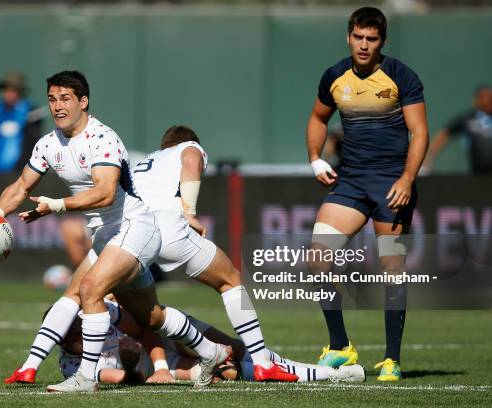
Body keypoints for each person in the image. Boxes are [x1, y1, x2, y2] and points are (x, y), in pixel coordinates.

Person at [0, 70, 229, 393]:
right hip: (108, 234)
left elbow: (105, 193)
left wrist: (58, 205)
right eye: (52, 99)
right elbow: (21, 186)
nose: (57, 106)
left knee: (90, 289)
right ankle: (210, 351)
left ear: (83, 101)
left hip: (136, 226)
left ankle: (85, 378)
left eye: (65, 99)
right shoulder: (48, 144)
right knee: (149, 317)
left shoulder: (103, 138)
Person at [10, 124, 300, 386]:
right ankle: (262, 363)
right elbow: (191, 159)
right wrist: (190, 212)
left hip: (126, 235)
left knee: (124, 308)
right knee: (230, 280)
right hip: (163, 229)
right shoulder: (188, 146)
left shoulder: (147, 161)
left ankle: (30, 367)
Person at [305, 7, 428, 381]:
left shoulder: (400, 76)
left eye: (371, 39)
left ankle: (392, 358)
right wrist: (314, 158)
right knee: (317, 260)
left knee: (392, 268)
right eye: (358, 37)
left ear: (382, 42)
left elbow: (419, 132)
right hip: (351, 183)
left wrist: (407, 179)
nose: (363, 45)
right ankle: (341, 347)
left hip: (392, 184)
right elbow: (317, 118)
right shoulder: (334, 76)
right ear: (348, 37)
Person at [56, 303, 366, 384]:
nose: (87, 335)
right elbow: (124, 378)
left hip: (166, 339)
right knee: (230, 371)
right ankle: (334, 374)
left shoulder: (97, 316)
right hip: (152, 367)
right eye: (78, 336)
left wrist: (160, 363)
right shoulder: (71, 366)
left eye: (84, 328)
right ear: (66, 342)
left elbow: (146, 327)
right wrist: (130, 363)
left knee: (237, 347)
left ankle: (296, 367)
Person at [423, 85, 492, 174]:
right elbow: (443, 136)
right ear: (476, 100)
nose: (487, 101)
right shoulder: (468, 119)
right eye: (483, 97)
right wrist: (428, 159)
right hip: (478, 173)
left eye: (490, 97)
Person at [0, 71, 44, 172]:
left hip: (20, 171)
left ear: (20, 92)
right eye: (5, 90)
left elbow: (33, 142)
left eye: (13, 90)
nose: (8, 94)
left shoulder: (30, 111)